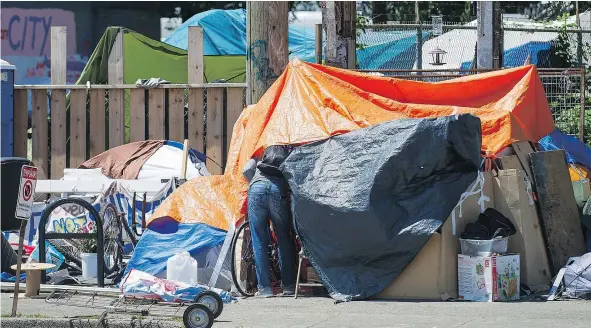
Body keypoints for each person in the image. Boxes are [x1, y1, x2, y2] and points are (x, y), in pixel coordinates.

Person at [242, 145, 296, 297]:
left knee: (259, 240)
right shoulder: (288, 150)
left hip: (256, 189)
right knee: (283, 237)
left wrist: (254, 182)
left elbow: (246, 169)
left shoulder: (261, 148)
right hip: (277, 190)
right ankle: (288, 286)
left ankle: (265, 289)